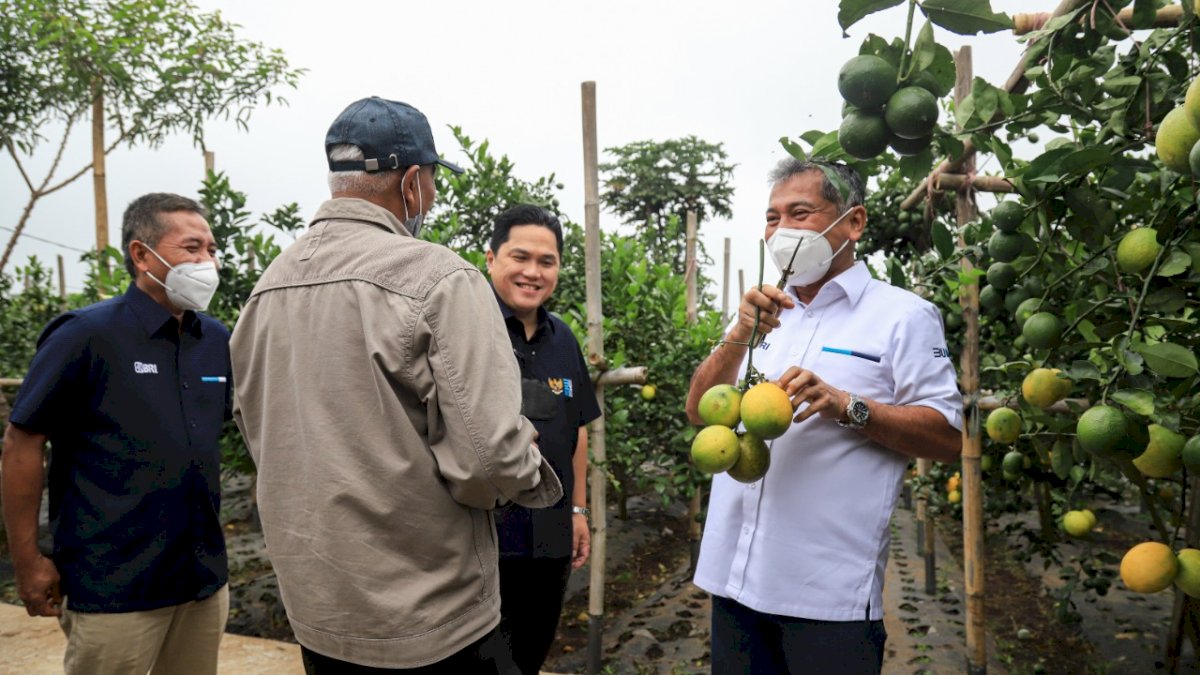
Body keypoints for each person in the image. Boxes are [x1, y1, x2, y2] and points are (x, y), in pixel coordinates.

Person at [230, 97, 562, 674]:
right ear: (412, 183)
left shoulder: (265, 291)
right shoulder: (437, 278)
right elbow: (489, 460)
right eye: (431, 182)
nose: (430, 198)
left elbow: (257, 432)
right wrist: (530, 473)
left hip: (321, 611)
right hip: (430, 617)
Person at [684, 159, 963, 674]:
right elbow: (700, 410)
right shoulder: (760, 312)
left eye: (800, 212)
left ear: (852, 223)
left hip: (826, 594)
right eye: (772, 217)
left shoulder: (903, 316)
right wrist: (737, 334)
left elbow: (948, 438)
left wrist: (848, 406)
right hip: (733, 579)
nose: (782, 229)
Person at [2, 193, 231, 675]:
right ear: (142, 254)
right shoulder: (86, 335)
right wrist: (27, 560)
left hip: (200, 580)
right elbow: (22, 442)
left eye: (211, 249)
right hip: (114, 584)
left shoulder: (215, 340)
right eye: (191, 248)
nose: (207, 261)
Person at [486, 204, 601, 675]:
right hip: (482, 543)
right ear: (491, 258)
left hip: (549, 542)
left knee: (530, 656)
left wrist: (577, 510)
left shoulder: (564, 339)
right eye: (520, 257)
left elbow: (577, 430)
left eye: (546, 261)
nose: (533, 272)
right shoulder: (469, 331)